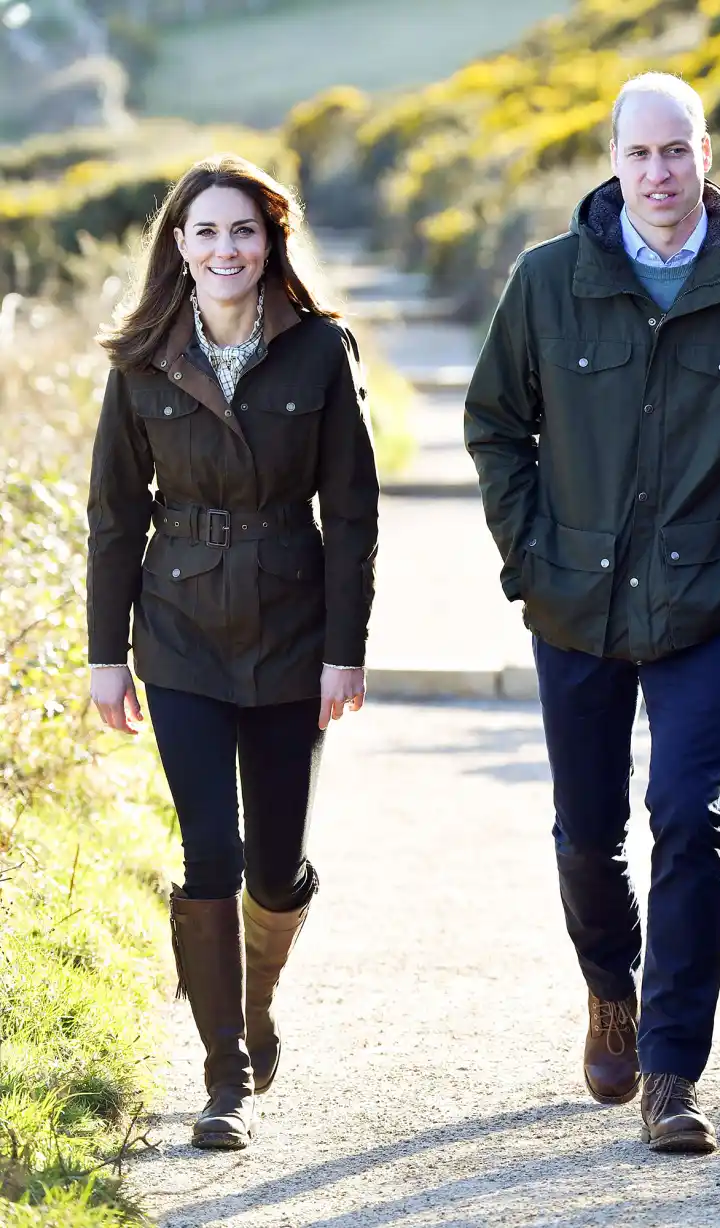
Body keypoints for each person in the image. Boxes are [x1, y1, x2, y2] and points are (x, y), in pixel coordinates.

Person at [465, 73, 720, 1153]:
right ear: (613, 160)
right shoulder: (547, 280)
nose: (660, 174)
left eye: (678, 152)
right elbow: (496, 425)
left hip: (702, 605)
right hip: (571, 600)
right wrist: (531, 556)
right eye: (641, 155)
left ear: (707, 154)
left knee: (686, 817)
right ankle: (609, 993)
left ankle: (672, 1070)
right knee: (589, 833)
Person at [87, 155, 379, 1150]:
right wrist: (103, 656)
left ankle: (255, 1013)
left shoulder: (321, 353)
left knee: (278, 864)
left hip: (296, 633)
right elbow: (115, 517)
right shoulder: (138, 364)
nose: (226, 249)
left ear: (271, 243)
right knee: (209, 850)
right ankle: (224, 1075)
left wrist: (347, 651)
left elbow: (351, 512)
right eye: (207, 232)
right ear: (179, 245)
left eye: (244, 232)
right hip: (178, 636)